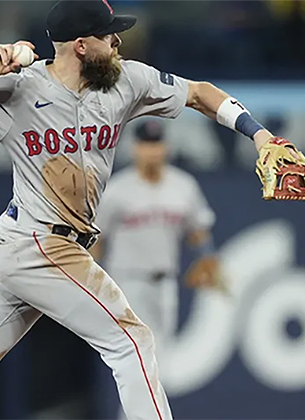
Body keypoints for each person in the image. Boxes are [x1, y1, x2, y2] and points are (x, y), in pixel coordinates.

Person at [0, 1, 291, 419]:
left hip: (37, 244)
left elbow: (199, 93)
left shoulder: (126, 81)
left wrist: (259, 135)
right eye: (108, 35)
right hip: (37, 240)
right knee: (131, 339)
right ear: (82, 44)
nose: (117, 42)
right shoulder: (17, 88)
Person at [90, 119, 223, 419]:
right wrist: (90, 280)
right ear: (135, 148)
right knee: (137, 356)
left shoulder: (183, 185)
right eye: (147, 145)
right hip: (125, 282)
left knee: (158, 361)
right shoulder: (118, 189)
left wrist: (208, 259)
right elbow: (96, 240)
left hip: (165, 282)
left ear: (166, 147)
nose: (152, 151)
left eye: (157, 144)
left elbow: (198, 230)